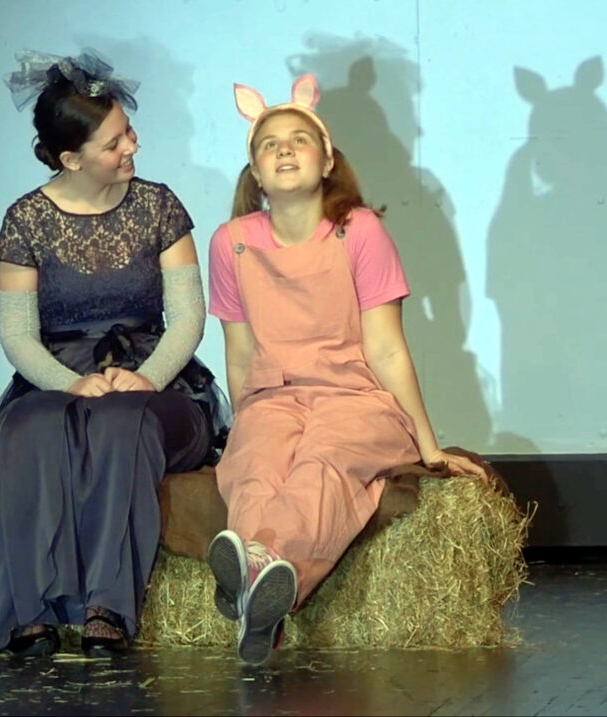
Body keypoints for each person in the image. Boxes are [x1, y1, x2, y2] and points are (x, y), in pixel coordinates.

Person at [0, 49, 229, 656]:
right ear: (72, 159)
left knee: (123, 423)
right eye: (115, 142)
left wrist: (148, 378)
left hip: (156, 379)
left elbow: (188, 317)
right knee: (28, 428)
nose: (133, 146)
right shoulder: (25, 220)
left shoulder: (159, 206)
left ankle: (107, 607)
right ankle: (31, 611)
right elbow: (17, 334)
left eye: (128, 131)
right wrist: (67, 384)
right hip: (59, 376)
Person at [206, 74, 487, 665]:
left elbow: (387, 349)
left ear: (328, 159)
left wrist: (428, 446)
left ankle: (257, 575)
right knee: (254, 467)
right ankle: (259, 590)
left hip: (355, 398)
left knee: (322, 465)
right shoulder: (231, 243)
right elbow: (239, 353)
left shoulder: (358, 231)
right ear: (255, 172)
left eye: (299, 139)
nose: (284, 149)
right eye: (269, 144)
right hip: (274, 397)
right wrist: (244, 426)